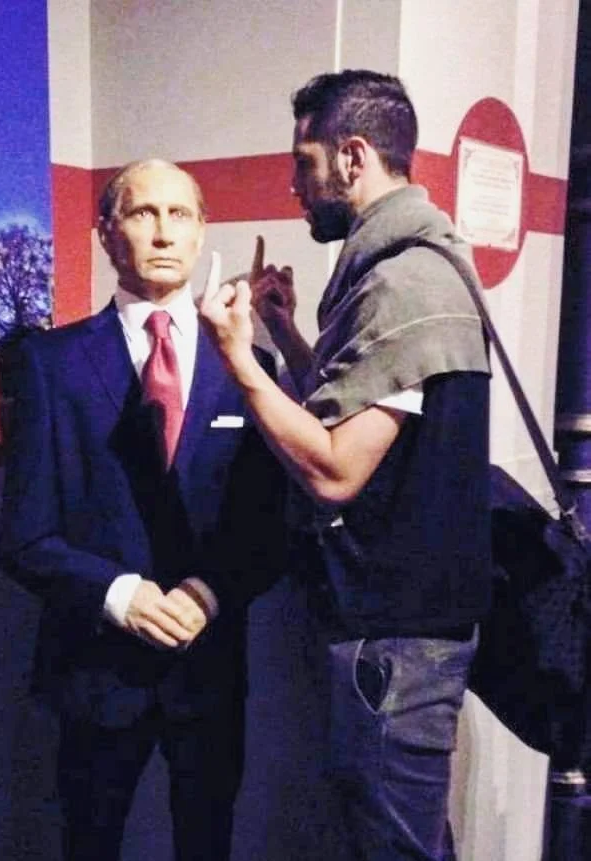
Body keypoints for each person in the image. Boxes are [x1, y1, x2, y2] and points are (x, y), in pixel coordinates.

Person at [200, 69, 492, 861]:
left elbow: (335, 470)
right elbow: (369, 411)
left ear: (353, 157)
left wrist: (240, 359)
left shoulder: (403, 281)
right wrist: (289, 335)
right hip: (402, 637)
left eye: (305, 163)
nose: (295, 186)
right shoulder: (416, 267)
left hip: (394, 642)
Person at [0, 158, 284, 861]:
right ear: (106, 231)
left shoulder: (249, 367)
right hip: (97, 673)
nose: (162, 232)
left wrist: (209, 592)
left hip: (208, 670)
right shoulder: (49, 364)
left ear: (201, 231)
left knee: (207, 845)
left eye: (178, 214)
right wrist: (119, 595)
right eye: (141, 213)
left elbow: (267, 528)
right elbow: (25, 536)